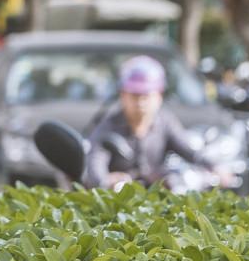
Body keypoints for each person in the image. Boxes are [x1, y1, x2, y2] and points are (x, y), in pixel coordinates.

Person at [83, 55, 223, 189]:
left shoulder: (165, 122)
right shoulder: (107, 127)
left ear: (159, 96)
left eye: (146, 95)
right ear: (123, 95)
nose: (141, 102)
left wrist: (216, 168)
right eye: (135, 95)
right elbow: (95, 166)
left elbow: (189, 151)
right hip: (121, 198)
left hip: (157, 196)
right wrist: (107, 181)